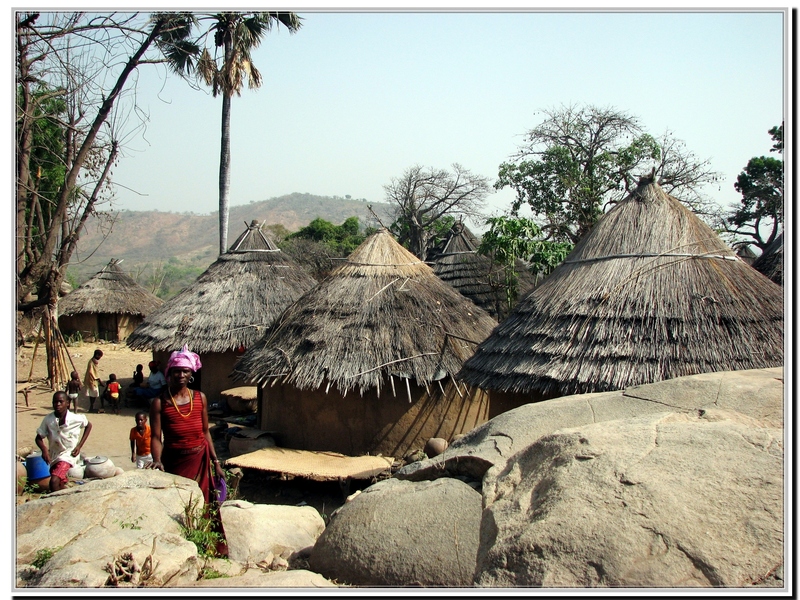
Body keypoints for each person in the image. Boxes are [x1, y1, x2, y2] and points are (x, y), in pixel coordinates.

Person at [146, 346, 224, 502]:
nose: (181, 375)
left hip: (199, 459)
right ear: (169, 373)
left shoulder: (200, 397)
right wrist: (157, 460)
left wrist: (215, 462)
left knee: (203, 504)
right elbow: (155, 436)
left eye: (185, 371)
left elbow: (205, 431)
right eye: (177, 371)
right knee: (178, 502)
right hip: (174, 462)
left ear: (191, 374)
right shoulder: (159, 402)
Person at [35, 391, 92, 492]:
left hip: (69, 454)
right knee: (59, 483)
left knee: (54, 481)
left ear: (67, 403)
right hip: (54, 454)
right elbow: (38, 438)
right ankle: (66, 499)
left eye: (61, 402)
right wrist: (44, 450)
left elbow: (88, 425)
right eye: (55, 402)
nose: (58, 404)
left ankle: (54, 504)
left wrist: (79, 446)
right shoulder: (48, 420)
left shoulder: (75, 418)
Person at [83, 349, 104, 413]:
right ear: (97, 355)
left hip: (94, 380)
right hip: (92, 381)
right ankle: (91, 407)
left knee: (93, 394)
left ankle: (91, 407)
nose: (100, 358)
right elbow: (90, 372)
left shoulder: (94, 362)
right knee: (93, 394)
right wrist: (98, 380)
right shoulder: (91, 362)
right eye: (100, 356)